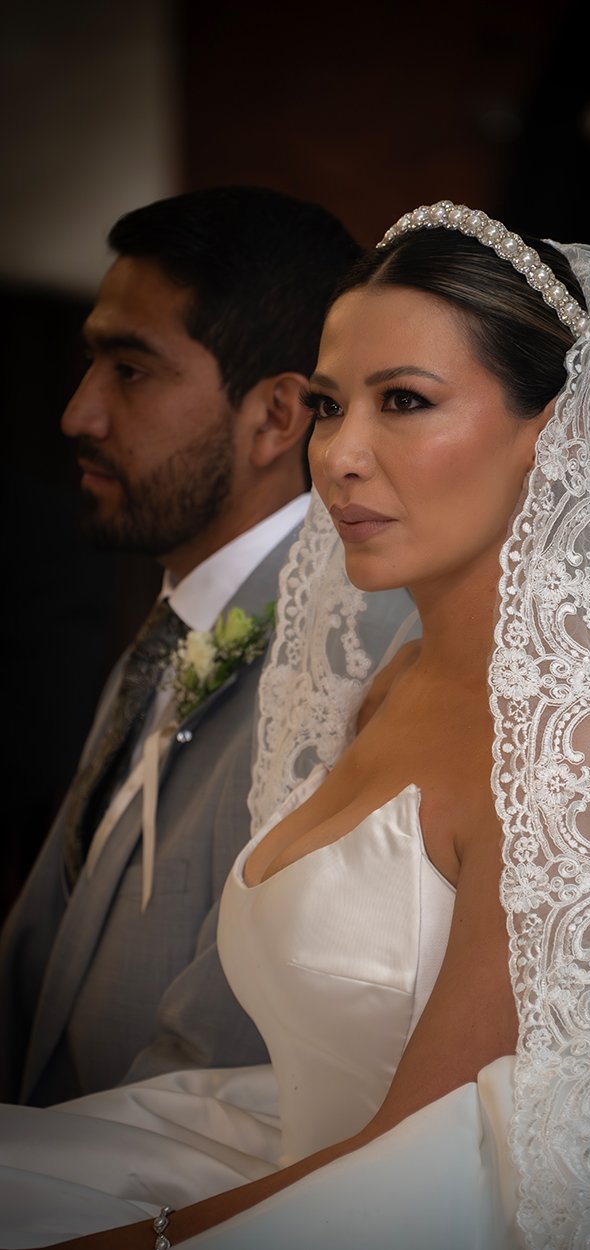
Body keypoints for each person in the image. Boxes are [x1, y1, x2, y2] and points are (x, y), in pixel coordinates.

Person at [0, 200, 590, 1248]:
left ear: (553, 433)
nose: (340, 455)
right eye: (330, 406)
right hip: (277, 1155)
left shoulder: (575, 749)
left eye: (405, 401)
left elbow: (429, 1157)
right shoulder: (388, 680)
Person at [0, 186, 409, 1106]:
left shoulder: (347, 666)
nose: (78, 414)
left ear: (277, 417)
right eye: (90, 363)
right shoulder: (174, 625)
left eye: (130, 370)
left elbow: (224, 1070)